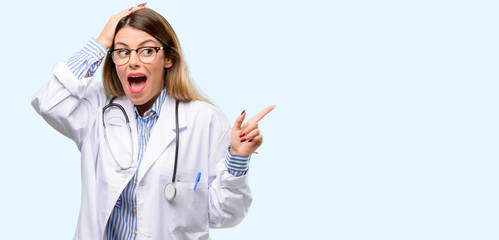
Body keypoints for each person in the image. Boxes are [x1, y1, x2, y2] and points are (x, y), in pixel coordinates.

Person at [31, 3, 274, 240]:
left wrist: (237, 159)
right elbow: (50, 101)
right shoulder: (97, 108)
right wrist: (101, 43)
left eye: (146, 50)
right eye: (123, 51)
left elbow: (225, 215)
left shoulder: (205, 119)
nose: (133, 61)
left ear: (168, 59)